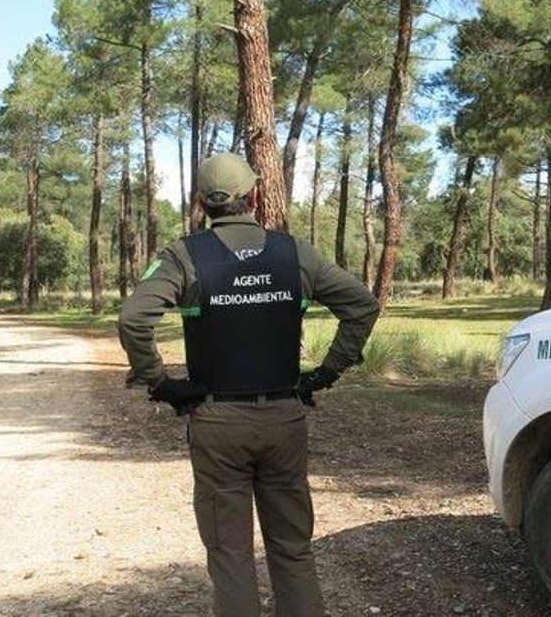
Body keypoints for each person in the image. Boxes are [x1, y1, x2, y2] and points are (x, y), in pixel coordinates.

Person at [118, 153, 380, 616]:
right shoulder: (295, 253)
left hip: (218, 422)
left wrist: (160, 382)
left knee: (230, 556)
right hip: (284, 418)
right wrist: (325, 373)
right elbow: (362, 305)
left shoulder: (184, 256)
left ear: (202, 203)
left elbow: (134, 319)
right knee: (293, 549)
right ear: (255, 196)